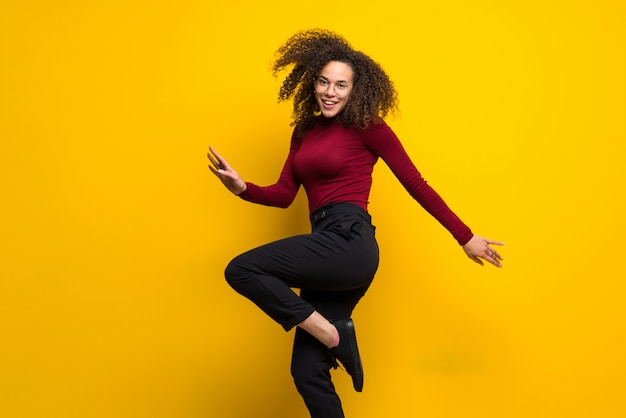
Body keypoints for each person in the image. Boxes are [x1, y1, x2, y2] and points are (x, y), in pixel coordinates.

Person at [208, 28, 504, 418]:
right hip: (324, 249)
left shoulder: (369, 127)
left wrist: (464, 237)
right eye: (324, 82)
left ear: (355, 89)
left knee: (242, 268)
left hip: (350, 243)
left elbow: (416, 185)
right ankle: (332, 336)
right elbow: (284, 195)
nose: (330, 92)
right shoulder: (304, 131)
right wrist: (242, 187)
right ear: (313, 82)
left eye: (341, 85)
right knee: (307, 372)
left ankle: (333, 333)